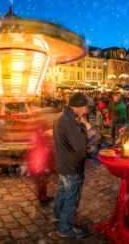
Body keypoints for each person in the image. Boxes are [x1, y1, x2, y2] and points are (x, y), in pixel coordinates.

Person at [53, 93, 93, 238]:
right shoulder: (70, 121)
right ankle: (65, 227)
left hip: (63, 163)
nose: (84, 111)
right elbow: (80, 145)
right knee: (72, 198)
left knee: (63, 191)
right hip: (72, 165)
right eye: (84, 108)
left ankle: (57, 214)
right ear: (77, 107)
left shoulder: (61, 117)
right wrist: (84, 129)